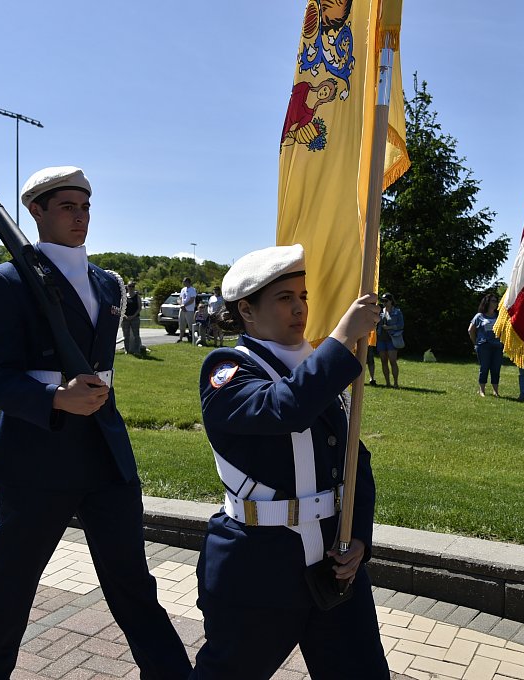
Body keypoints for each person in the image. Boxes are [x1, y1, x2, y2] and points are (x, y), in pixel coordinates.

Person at [0, 165, 191, 680]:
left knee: (133, 584)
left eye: (86, 207)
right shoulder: (3, 281)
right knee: (9, 587)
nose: (81, 217)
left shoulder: (107, 282)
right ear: (36, 211)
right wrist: (55, 397)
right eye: (67, 206)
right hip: (38, 453)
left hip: (105, 452)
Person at [191, 244, 389, 679]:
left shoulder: (313, 369)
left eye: (302, 297)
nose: (299, 309)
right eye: (284, 299)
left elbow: (357, 461)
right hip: (258, 571)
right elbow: (283, 409)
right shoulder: (226, 370)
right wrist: (339, 341)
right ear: (246, 310)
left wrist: (359, 538)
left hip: (333, 569)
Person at [468, 293, 503, 397]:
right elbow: (471, 330)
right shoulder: (479, 316)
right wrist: (476, 343)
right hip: (484, 346)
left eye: (496, 301)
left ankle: (495, 391)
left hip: (497, 346)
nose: (495, 303)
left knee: (496, 368)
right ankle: (482, 390)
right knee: (484, 368)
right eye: (493, 301)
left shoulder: (499, 316)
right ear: (487, 302)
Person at [375, 292, 403, 388]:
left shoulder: (397, 312)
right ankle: (387, 383)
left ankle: (395, 383)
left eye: (386, 301)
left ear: (391, 301)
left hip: (392, 339)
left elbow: (401, 325)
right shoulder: (380, 311)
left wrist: (390, 327)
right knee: (383, 361)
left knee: (392, 360)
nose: (384, 303)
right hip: (381, 339)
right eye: (382, 301)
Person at [121, 281, 142, 355]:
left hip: (135, 318)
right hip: (125, 318)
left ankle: (137, 350)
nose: (131, 288)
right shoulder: (124, 297)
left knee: (136, 335)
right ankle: (127, 350)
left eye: (132, 286)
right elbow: (121, 307)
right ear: (127, 287)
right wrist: (125, 316)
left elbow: (139, 308)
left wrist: (133, 316)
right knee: (126, 335)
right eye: (129, 286)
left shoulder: (137, 297)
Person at [179, 276, 197, 343]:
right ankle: (180, 338)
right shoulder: (183, 289)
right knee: (181, 323)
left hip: (189, 310)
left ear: (188, 282)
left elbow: (192, 300)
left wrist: (185, 305)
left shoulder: (192, 290)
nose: (183, 283)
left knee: (190, 324)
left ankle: (192, 338)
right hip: (182, 309)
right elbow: (180, 298)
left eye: (184, 281)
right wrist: (181, 305)